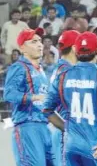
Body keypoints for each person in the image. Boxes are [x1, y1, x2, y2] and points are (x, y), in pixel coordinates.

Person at [43, 31, 97, 166]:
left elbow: (46, 109)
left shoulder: (63, 76)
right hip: (96, 147)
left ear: (76, 51)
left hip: (72, 146)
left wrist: (67, 127)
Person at [3, 28, 55, 166]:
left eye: (40, 41)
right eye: (33, 41)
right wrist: (34, 97)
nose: (40, 44)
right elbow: (9, 94)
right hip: (27, 126)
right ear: (23, 48)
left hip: (44, 126)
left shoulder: (41, 70)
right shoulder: (19, 67)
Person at [49, 30, 80, 166]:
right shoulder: (67, 71)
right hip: (64, 131)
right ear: (74, 48)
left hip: (64, 130)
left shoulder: (62, 69)